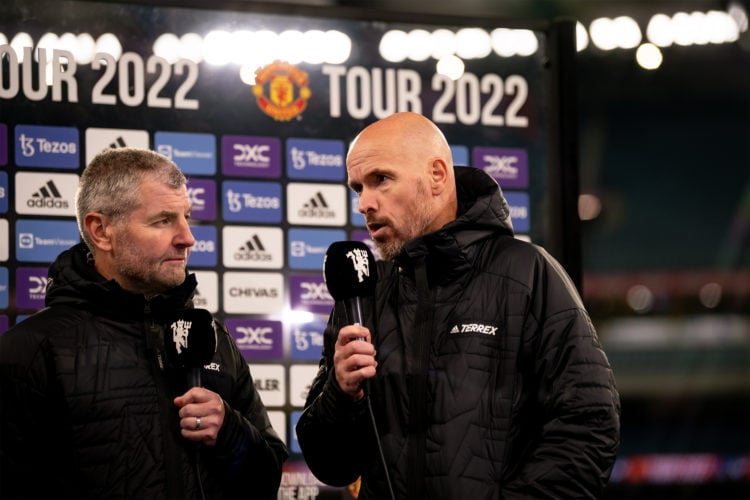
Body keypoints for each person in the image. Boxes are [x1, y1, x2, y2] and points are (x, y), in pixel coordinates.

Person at [296, 112, 621, 499]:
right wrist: (341, 394)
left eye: (380, 179)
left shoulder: (527, 273)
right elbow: (331, 465)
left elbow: (588, 427)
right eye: (357, 188)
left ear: (436, 175)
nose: (364, 203)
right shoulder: (363, 294)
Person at [0, 147, 288, 499]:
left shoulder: (212, 336)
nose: (187, 238)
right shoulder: (30, 350)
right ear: (101, 231)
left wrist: (230, 432)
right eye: (163, 220)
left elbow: (266, 480)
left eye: (186, 217)